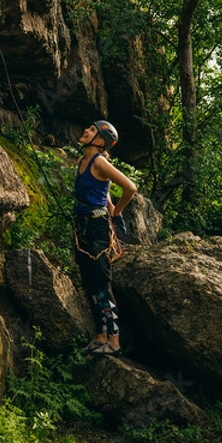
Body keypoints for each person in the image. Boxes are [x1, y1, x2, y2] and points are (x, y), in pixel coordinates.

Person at [74, 120, 137, 356]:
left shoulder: (99, 161)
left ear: (100, 140)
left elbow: (130, 187)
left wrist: (116, 212)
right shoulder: (82, 161)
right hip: (83, 228)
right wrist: (109, 203)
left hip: (98, 229)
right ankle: (100, 336)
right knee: (90, 284)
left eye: (90, 129)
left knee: (102, 285)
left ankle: (114, 341)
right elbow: (104, 188)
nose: (85, 130)